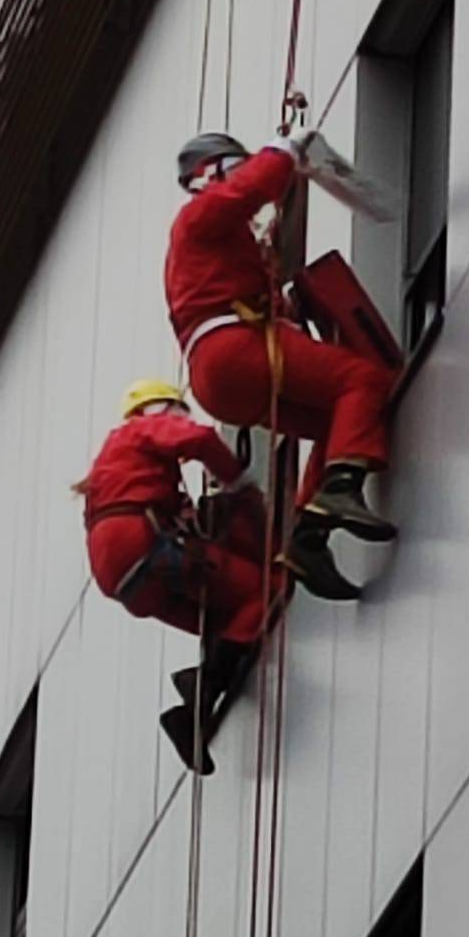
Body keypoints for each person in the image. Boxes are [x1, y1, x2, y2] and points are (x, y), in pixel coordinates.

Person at [166, 130, 399, 601]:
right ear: (210, 174)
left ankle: (307, 537)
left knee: (342, 421)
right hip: (234, 349)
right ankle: (340, 488)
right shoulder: (199, 217)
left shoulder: (218, 243)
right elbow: (244, 189)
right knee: (361, 379)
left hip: (218, 375)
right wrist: (285, 153)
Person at [78, 378, 270, 772]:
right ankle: (202, 685)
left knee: (224, 621)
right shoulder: (137, 431)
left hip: (122, 577)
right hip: (138, 542)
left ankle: (191, 714)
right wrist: (240, 482)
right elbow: (198, 438)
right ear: (160, 408)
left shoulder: (113, 471)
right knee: (263, 591)